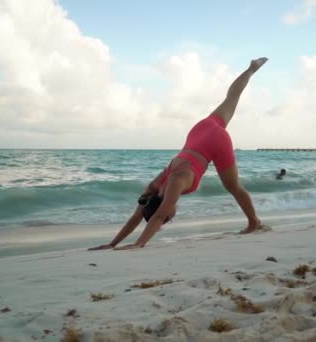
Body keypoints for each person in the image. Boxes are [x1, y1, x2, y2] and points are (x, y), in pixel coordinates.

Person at [89, 57, 269, 251]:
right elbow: (138, 216)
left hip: (216, 141)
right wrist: (112, 244)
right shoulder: (153, 188)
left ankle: (254, 222)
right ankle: (251, 69)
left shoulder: (174, 182)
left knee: (234, 187)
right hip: (200, 130)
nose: (171, 215)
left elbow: (159, 214)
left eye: (169, 217)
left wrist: (139, 244)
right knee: (231, 99)